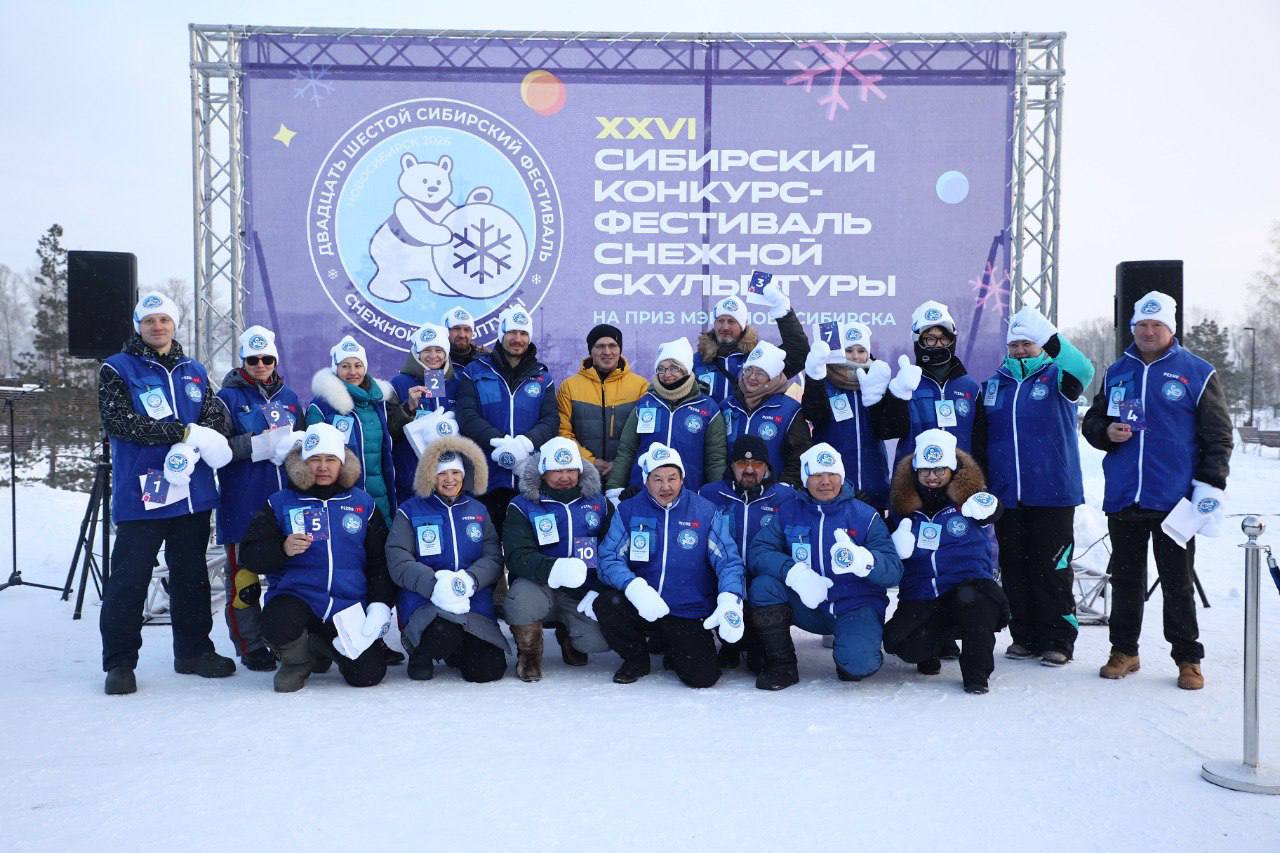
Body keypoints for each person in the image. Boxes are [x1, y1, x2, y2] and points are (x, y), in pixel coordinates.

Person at [1082, 291, 1232, 690]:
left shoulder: (1197, 372)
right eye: (1142, 325)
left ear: (1171, 329)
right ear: (1133, 328)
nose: (1148, 332)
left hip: (1175, 499)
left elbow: (1219, 436)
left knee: (1177, 583)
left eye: (1157, 325)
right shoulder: (1118, 371)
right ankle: (1124, 651)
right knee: (1125, 581)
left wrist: (1210, 484)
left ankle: (1187, 658)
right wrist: (1106, 431)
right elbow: (1092, 422)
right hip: (1125, 495)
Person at [97, 292, 237, 695]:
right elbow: (121, 423)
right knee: (129, 579)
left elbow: (214, 418)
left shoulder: (194, 370)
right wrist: (182, 432)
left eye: (164, 320)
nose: (157, 327)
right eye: (149, 321)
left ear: (175, 324)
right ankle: (120, 662)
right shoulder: (116, 368)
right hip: (144, 493)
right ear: (138, 326)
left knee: (191, 577)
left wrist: (198, 438)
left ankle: (193, 651)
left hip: (192, 493)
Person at [236, 423, 395, 691]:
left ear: (342, 463)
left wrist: (379, 604)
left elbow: (379, 562)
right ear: (303, 462)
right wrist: (282, 548)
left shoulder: (363, 503)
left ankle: (320, 645)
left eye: (330, 459)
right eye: (315, 459)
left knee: (368, 675)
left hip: (347, 605)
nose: (323, 467)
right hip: (297, 598)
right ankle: (297, 661)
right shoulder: (280, 502)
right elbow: (250, 555)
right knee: (277, 621)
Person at [982, 306, 1095, 667]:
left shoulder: (1058, 377)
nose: (1020, 351)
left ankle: (1058, 639)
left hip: (1053, 492)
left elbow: (1085, 369)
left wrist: (1052, 337)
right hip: (1008, 494)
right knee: (1015, 568)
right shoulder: (994, 384)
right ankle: (1025, 636)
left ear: (1041, 345)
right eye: (1014, 345)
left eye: (1027, 344)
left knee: (1051, 569)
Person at [746, 443, 903, 690]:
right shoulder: (789, 512)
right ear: (805, 479)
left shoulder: (866, 516)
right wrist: (794, 573)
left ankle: (850, 649)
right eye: (817, 475)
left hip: (854, 605)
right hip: (806, 604)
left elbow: (893, 571)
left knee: (858, 665)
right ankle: (782, 664)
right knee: (764, 586)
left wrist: (865, 561)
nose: (825, 481)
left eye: (832, 474)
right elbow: (759, 551)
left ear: (841, 476)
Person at [596, 444, 746, 687]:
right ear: (646, 480)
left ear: (682, 478)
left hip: (686, 609)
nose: (665, 486)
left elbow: (728, 561)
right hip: (642, 605)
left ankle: (671, 646)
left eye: (672, 478)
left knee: (703, 678)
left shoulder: (704, 511)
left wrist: (730, 598)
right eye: (657, 479)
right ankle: (636, 658)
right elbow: (608, 558)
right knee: (607, 603)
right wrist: (635, 588)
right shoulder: (629, 510)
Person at [883, 429, 1009, 694]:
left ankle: (976, 673)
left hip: (967, 586)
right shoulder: (902, 508)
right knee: (899, 642)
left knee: (978, 607)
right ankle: (936, 641)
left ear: (952, 469)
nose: (933, 476)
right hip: (921, 593)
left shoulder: (968, 500)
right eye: (925, 470)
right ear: (915, 472)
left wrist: (992, 508)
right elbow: (881, 544)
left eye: (940, 470)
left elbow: (991, 509)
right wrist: (894, 545)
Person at [214, 325, 304, 672]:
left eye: (267, 358)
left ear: (275, 361)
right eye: (253, 359)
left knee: (288, 575)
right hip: (244, 501)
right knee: (245, 582)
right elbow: (217, 449)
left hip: (285, 503)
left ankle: (287, 640)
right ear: (243, 361)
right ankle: (250, 645)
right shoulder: (227, 398)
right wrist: (258, 444)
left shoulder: (290, 397)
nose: (261, 365)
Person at [385, 433, 508, 683]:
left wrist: (471, 580)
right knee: (443, 633)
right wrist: (435, 585)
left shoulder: (478, 510)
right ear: (430, 475)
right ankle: (422, 652)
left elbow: (493, 556)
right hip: (425, 600)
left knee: (489, 670)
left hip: (471, 600)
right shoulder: (410, 510)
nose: (449, 479)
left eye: (455, 473)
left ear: (464, 475)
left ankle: (461, 650)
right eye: (442, 473)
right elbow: (398, 558)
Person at [503, 437, 612, 681]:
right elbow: (517, 555)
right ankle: (529, 655)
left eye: (571, 470)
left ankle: (569, 634)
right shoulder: (523, 505)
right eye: (557, 471)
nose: (565, 477)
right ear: (543, 471)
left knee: (599, 641)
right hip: (538, 584)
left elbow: (610, 551)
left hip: (581, 589)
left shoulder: (600, 504)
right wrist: (555, 568)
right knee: (521, 603)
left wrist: (597, 587)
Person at [455, 306, 558, 532]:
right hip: (485, 479)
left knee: (525, 545)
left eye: (523, 333)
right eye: (512, 332)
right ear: (501, 334)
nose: (517, 339)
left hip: (527, 479)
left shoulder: (542, 377)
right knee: (485, 546)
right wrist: (500, 442)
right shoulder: (475, 371)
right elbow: (467, 415)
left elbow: (550, 420)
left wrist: (524, 444)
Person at [698, 434, 795, 668]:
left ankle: (757, 644)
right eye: (742, 463)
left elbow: (817, 505)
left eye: (757, 464)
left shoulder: (785, 498)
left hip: (762, 583)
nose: (749, 470)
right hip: (721, 578)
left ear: (767, 467)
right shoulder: (709, 494)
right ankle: (729, 644)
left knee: (758, 661)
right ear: (731, 466)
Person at [606, 338, 726, 494]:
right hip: (643, 492)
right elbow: (627, 450)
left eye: (674, 368)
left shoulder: (707, 407)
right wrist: (615, 488)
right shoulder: (646, 403)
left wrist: (716, 494)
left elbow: (715, 460)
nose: (667, 374)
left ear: (686, 369)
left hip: (688, 493)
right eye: (661, 368)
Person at [878, 300, 987, 468]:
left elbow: (980, 443)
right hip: (915, 478)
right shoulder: (906, 384)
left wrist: (979, 478)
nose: (938, 344)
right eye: (930, 339)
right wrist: (897, 396)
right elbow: (888, 431)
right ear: (918, 341)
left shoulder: (970, 388)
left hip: (960, 478)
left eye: (944, 338)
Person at [306, 335, 398, 523]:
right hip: (341, 496)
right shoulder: (321, 406)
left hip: (379, 494)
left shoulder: (378, 402)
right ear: (336, 368)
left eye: (358, 365)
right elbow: (311, 454)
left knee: (380, 538)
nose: (353, 372)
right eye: (345, 366)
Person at [801, 321, 893, 509]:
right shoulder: (826, 381)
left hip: (874, 482)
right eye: (849, 350)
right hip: (832, 484)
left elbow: (888, 430)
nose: (855, 356)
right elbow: (813, 414)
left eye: (861, 350)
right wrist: (814, 379)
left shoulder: (877, 381)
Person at [556, 323, 648, 482]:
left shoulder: (641, 386)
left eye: (612, 345)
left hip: (625, 477)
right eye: (600, 346)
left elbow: (645, 435)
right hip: (582, 476)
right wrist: (590, 461)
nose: (607, 352)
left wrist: (620, 464)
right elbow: (563, 432)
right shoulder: (569, 387)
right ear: (590, 351)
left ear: (620, 350)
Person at [692, 283, 810, 405]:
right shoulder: (698, 360)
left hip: (747, 417)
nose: (725, 327)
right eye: (720, 321)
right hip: (709, 418)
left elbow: (799, 354)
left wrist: (782, 310)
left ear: (742, 326)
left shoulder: (759, 356)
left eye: (731, 321)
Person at [722, 340, 811, 487]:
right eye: (748, 370)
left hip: (772, 492)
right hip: (731, 491)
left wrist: (784, 486)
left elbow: (799, 455)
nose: (752, 377)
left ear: (772, 377)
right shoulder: (728, 405)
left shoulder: (789, 410)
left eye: (761, 373)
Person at [389, 322, 459, 504]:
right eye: (427, 350)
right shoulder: (398, 384)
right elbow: (389, 432)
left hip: (451, 477)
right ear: (417, 353)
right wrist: (408, 408)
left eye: (439, 350)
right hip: (411, 475)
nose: (433, 356)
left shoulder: (458, 383)